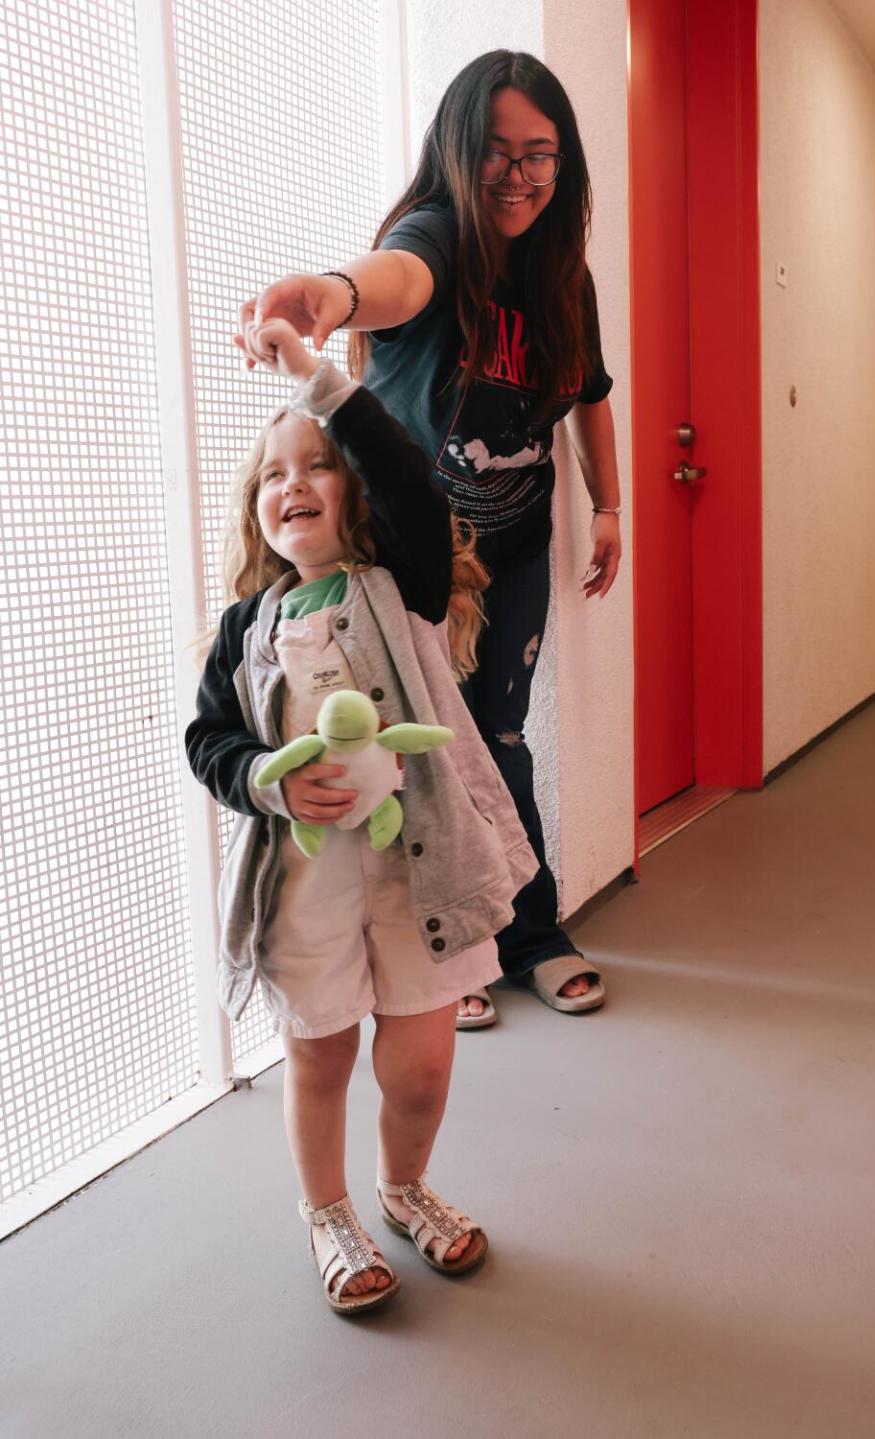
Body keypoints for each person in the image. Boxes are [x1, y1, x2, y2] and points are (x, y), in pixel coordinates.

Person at [235, 51, 623, 1030]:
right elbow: (392, 279)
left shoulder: (563, 276)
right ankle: (450, 955)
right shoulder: (441, 237)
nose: (520, 175)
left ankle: (523, 933)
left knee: (498, 737)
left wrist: (609, 506)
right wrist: (327, 293)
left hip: (516, 545)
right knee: (422, 750)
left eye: (541, 154)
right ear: (458, 152)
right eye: (496, 151)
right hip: (418, 558)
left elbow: (589, 395)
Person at [185, 318, 537, 1313]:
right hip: (305, 885)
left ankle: (402, 1183)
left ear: (355, 495)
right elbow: (209, 739)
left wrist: (318, 383)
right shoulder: (247, 629)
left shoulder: (400, 585)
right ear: (255, 515)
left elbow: (416, 489)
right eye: (271, 475)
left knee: (420, 1063)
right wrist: (267, 778)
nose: (291, 481)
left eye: (316, 465)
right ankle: (327, 1210)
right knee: (320, 1051)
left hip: (414, 874)